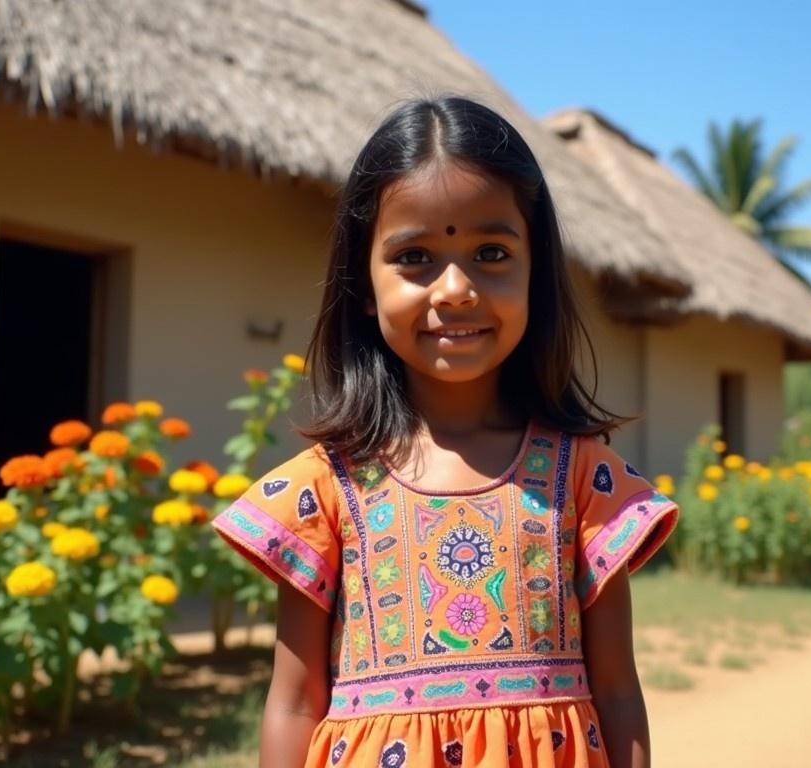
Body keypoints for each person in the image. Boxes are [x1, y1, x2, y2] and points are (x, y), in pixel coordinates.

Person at [212, 96, 680, 768]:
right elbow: (293, 703)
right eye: (414, 257)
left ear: (535, 275)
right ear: (364, 287)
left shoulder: (583, 477)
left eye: (491, 252)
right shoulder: (325, 489)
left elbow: (617, 690)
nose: (455, 288)